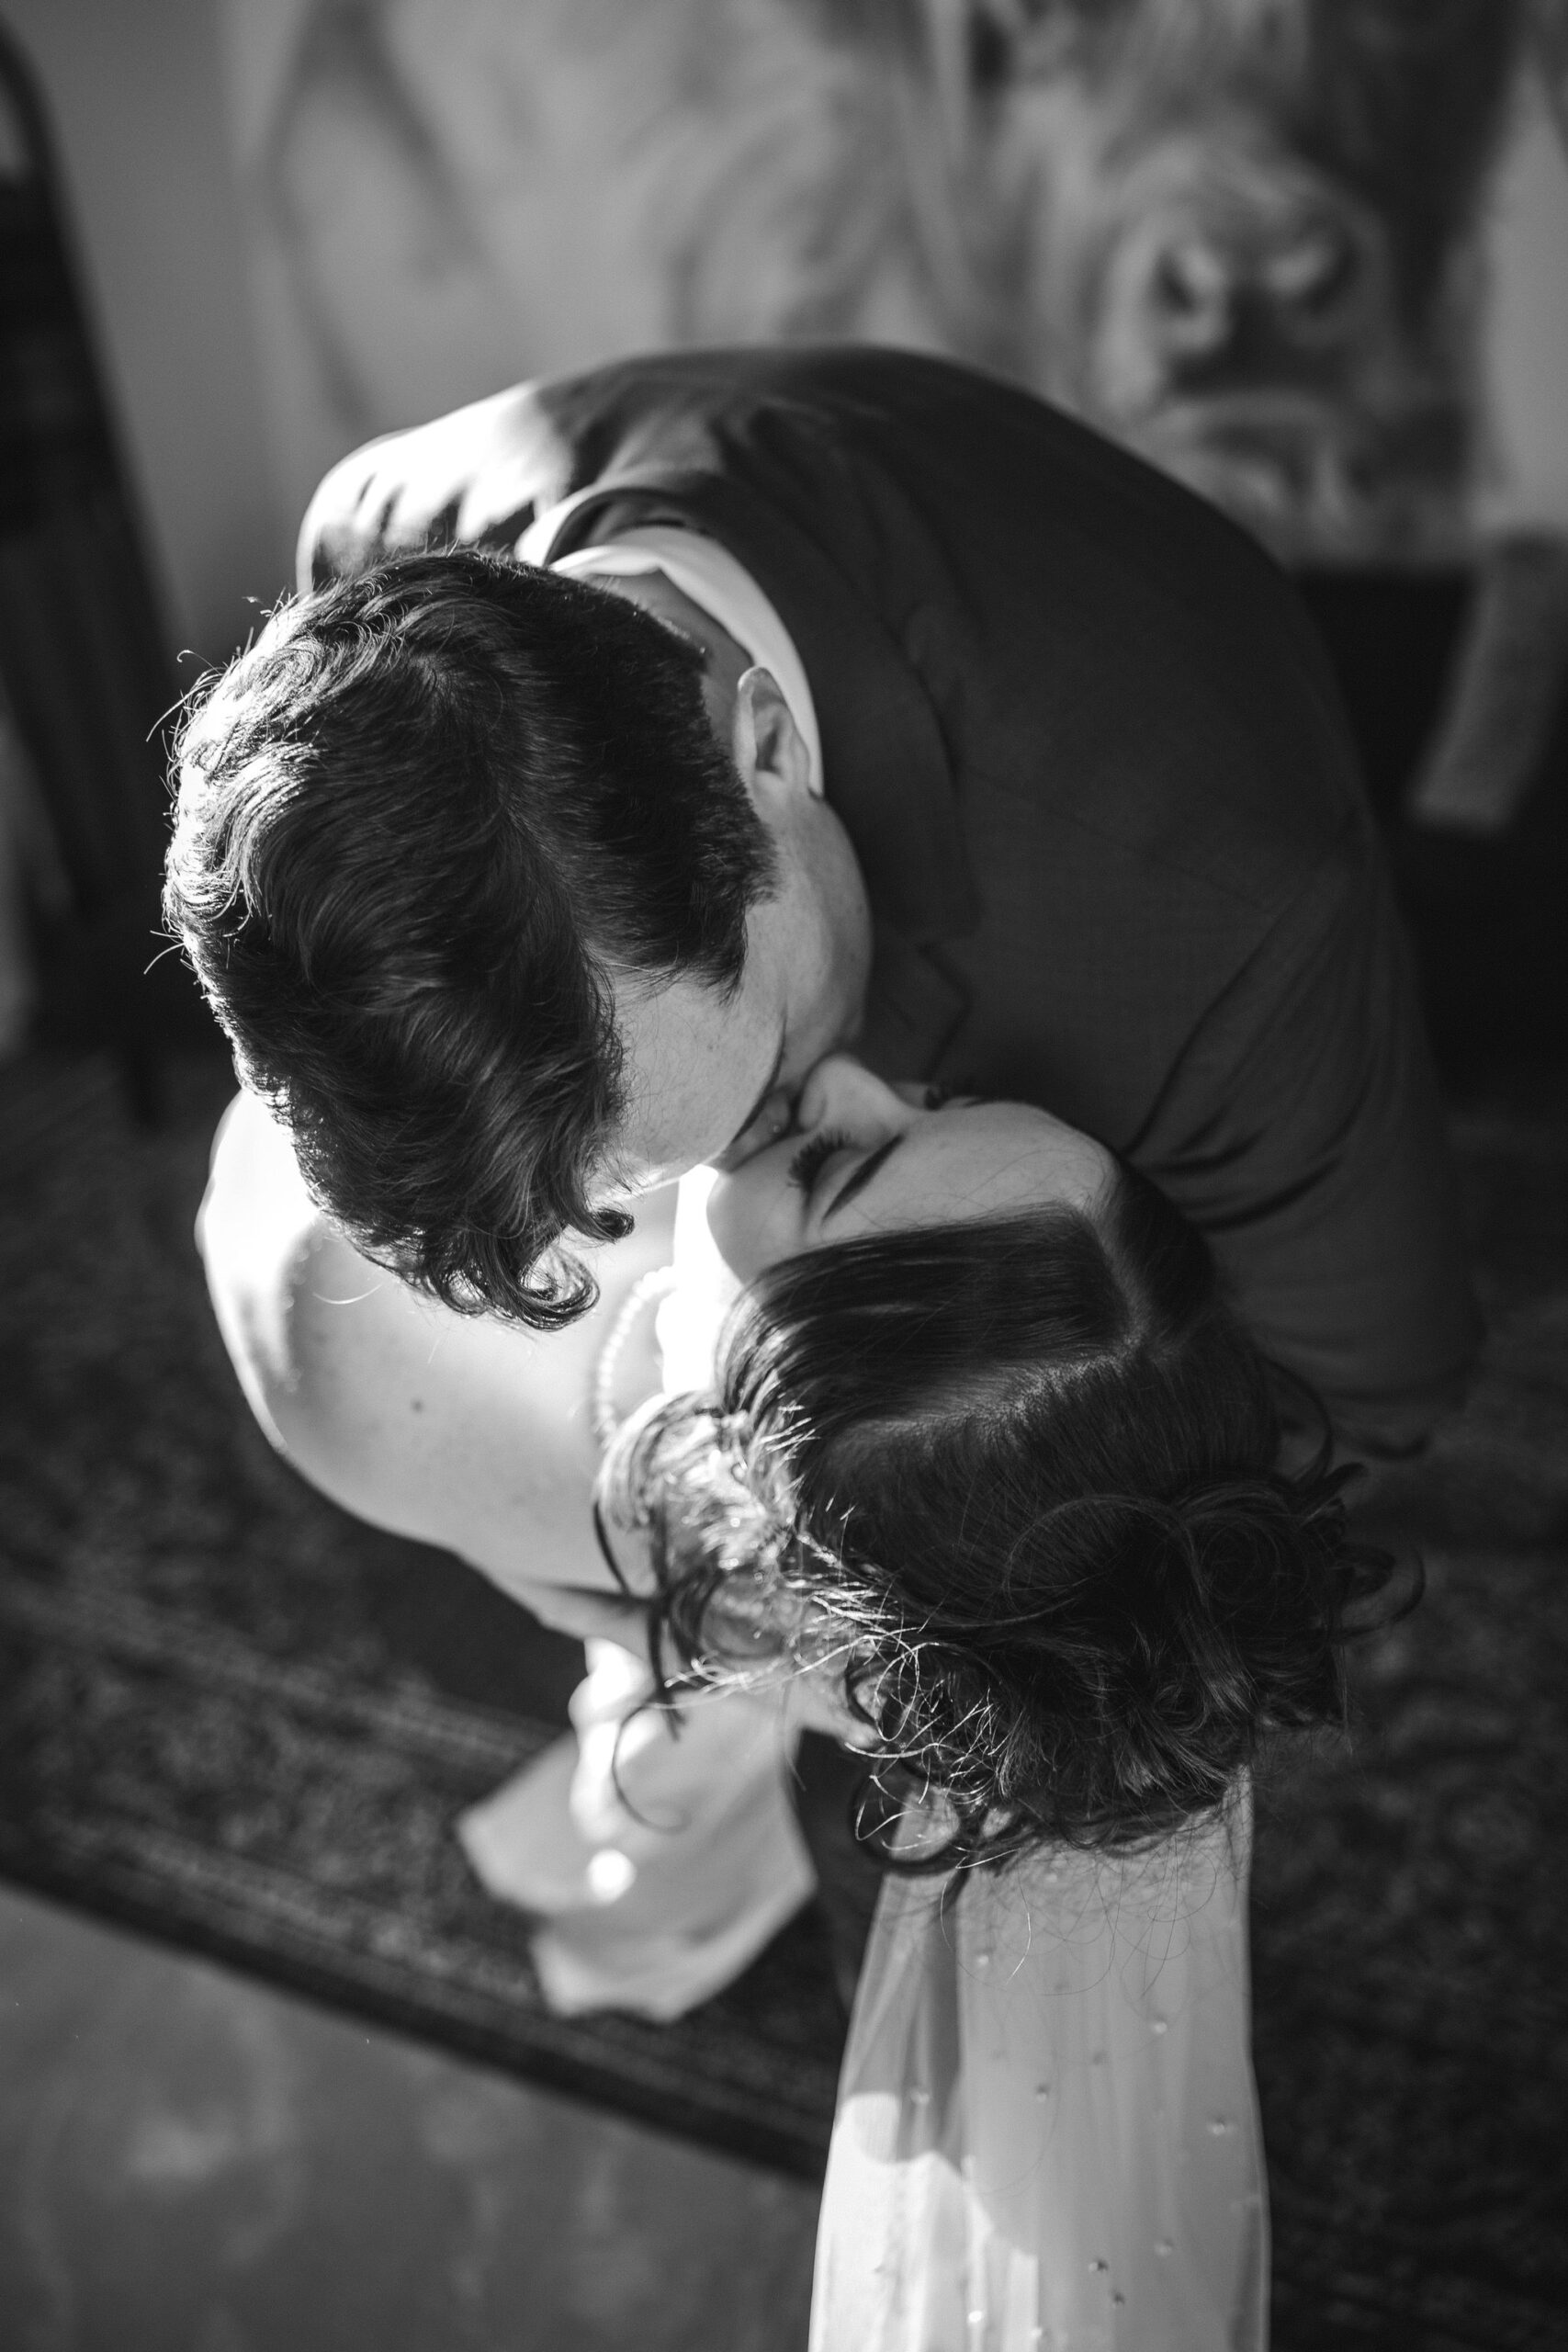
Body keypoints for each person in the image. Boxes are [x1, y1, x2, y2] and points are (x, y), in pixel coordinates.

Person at [167, 343, 1477, 2003]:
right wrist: (689, 1577)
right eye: (607, 1196)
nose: (689, 1201)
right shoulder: (378, 558)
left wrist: (947, 1573)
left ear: (766, 748)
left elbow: (1366, 1392)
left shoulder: (1223, 916)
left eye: (775, 1082)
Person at [568, 1049, 1393, 2350]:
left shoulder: (555, 1440)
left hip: (897, 1796)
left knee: (920, 1998)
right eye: (939, 1102)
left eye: (836, 1165)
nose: (849, 1073)